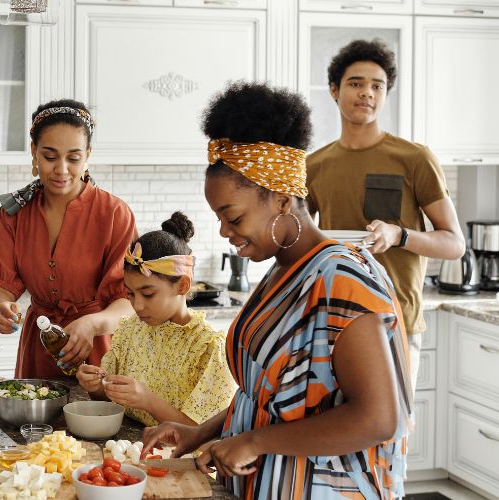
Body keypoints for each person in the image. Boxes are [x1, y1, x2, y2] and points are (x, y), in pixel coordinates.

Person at [143, 82, 413, 499]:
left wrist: (254, 442)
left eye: (232, 216)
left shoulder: (342, 279)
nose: (224, 231)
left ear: (283, 200)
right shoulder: (282, 271)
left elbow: (379, 419)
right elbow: (267, 396)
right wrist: (200, 432)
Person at [307, 39, 465, 385]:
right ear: (334, 91)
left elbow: (454, 244)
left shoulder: (414, 158)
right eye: (355, 83)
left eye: (377, 85)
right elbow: (300, 238)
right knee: (335, 435)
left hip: (395, 319)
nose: (367, 93)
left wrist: (399, 234)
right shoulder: (314, 165)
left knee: (391, 433)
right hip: (334, 318)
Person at [0, 99, 137, 379]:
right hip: (38, 348)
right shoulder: (13, 215)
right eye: (50, 156)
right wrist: (0, 307)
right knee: (35, 422)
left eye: (74, 158)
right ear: (34, 153)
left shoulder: (115, 214)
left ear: (88, 155)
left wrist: (92, 324)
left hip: (99, 350)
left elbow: (129, 301)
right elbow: (0, 285)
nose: (62, 169)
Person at [76, 212, 236, 427]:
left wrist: (148, 401)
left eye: (148, 294)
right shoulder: (130, 330)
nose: (137, 305)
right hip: (129, 451)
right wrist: (96, 387)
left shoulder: (208, 348)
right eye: (130, 294)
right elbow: (109, 402)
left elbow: (201, 432)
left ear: (182, 286)